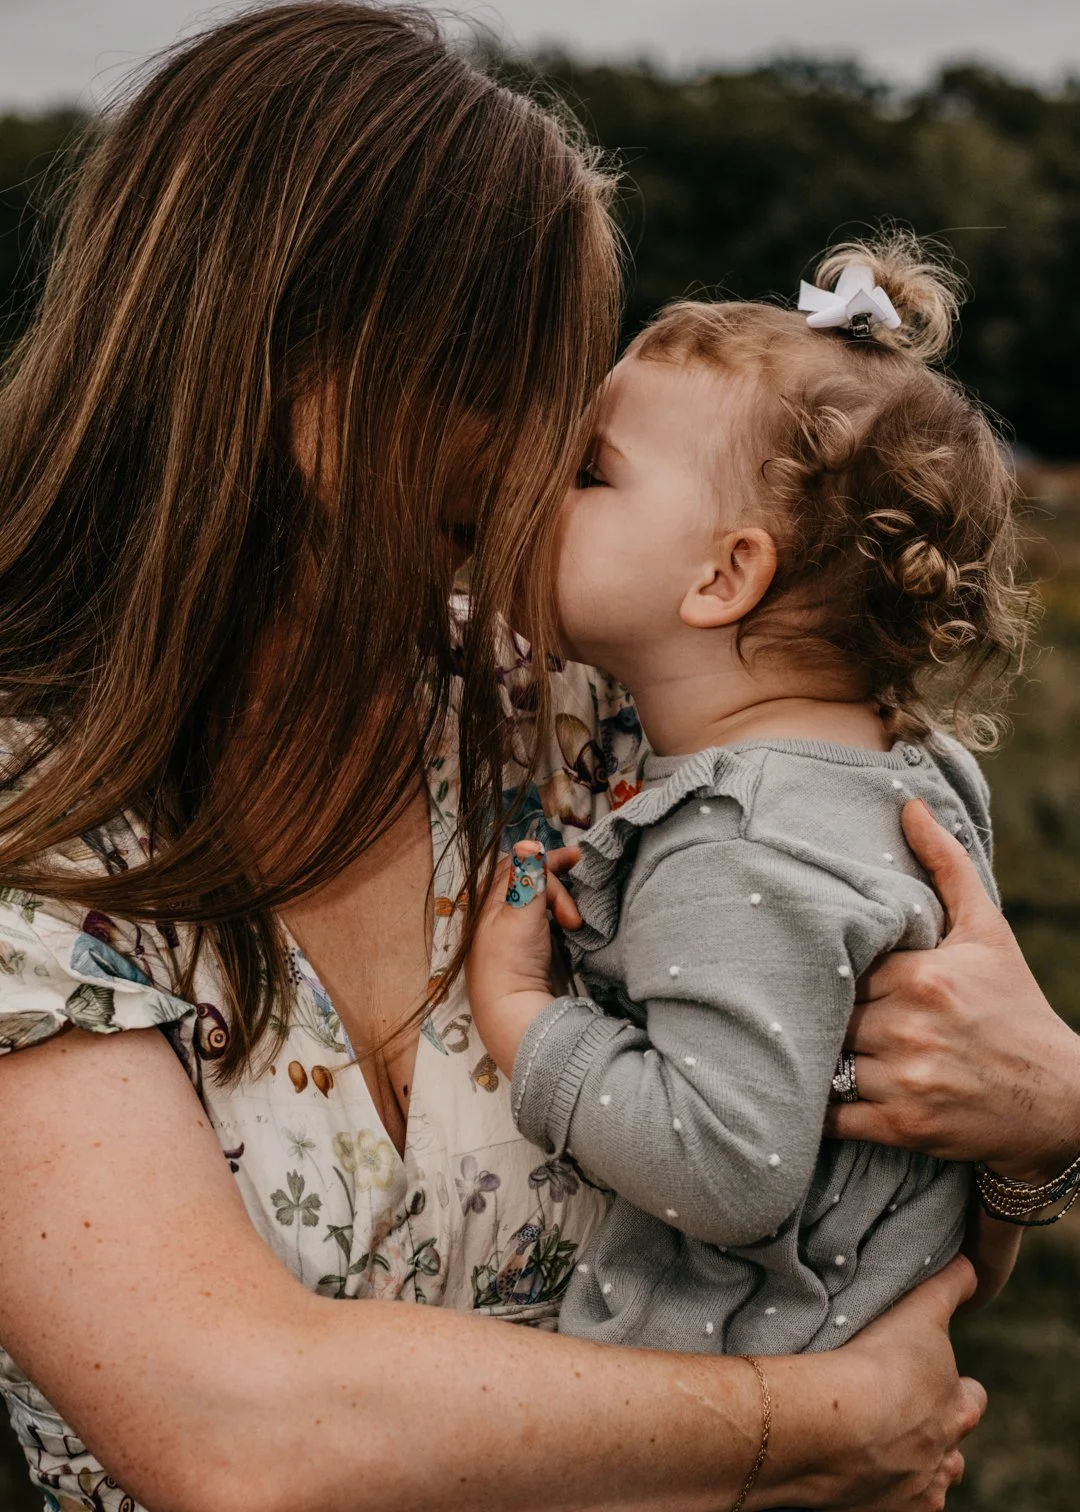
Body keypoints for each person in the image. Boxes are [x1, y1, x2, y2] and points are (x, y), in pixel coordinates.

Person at [0, 5, 1017, 1510]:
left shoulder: (602, 717)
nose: (546, 457)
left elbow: (886, 1209)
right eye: (523, 386)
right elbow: (233, 1427)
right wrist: (804, 1421)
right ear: (306, 377)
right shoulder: (35, 820)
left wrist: (1035, 1120)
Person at [466, 234, 1030, 1359]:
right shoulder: (906, 776)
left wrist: (524, 1020)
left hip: (731, 1407)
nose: (538, 487)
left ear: (725, 576)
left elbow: (731, 1172)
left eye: (590, 473)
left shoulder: (742, 840)